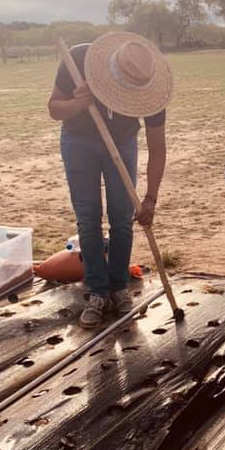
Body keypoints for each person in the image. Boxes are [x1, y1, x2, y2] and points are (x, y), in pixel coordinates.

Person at [48, 33, 173, 329]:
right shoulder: (78, 59)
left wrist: (150, 199)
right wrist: (79, 103)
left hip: (123, 143)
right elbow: (54, 108)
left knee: (121, 216)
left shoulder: (149, 87)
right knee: (88, 217)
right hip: (78, 142)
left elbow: (158, 148)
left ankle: (118, 287)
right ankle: (97, 291)